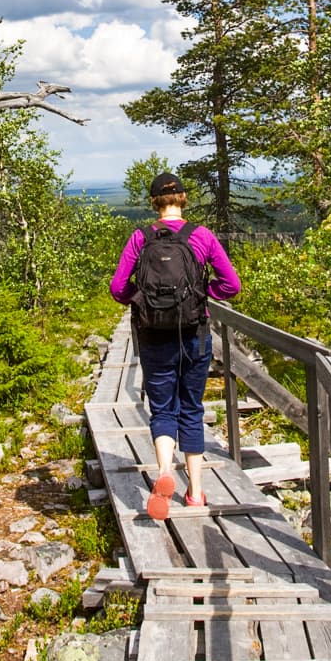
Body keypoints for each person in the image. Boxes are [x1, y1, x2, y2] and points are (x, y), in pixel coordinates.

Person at [109, 171, 243, 520]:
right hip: (194, 334)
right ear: (183, 199)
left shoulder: (140, 238)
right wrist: (202, 294)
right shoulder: (201, 236)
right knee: (191, 408)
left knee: (163, 408)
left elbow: (117, 288)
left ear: (154, 202)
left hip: (154, 334)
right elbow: (232, 285)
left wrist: (140, 301)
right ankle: (196, 492)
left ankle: (165, 471)